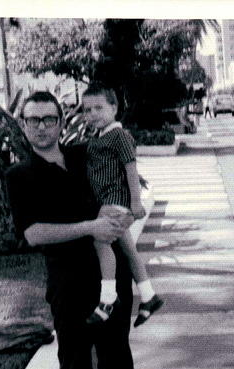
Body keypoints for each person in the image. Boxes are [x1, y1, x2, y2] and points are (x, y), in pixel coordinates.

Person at [5, 91, 136, 369]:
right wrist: (90, 227)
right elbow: (34, 234)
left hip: (111, 274)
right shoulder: (20, 175)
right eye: (34, 120)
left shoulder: (86, 156)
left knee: (115, 357)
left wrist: (122, 210)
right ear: (23, 124)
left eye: (50, 119)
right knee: (75, 363)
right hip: (68, 283)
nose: (43, 126)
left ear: (62, 122)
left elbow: (122, 178)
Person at [81, 83, 163, 327]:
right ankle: (149, 296)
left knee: (100, 239)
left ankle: (108, 297)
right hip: (107, 200)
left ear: (114, 108)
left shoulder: (119, 136)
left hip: (115, 200)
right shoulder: (99, 137)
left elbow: (131, 168)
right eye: (87, 110)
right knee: (128, 249)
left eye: (98, 108)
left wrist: (136, 202)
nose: (92, 114)